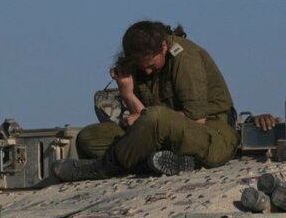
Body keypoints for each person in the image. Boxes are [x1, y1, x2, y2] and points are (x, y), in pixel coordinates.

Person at [54, 21, 239, 181]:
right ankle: (164, 162)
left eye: (151, 65)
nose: (148, 72)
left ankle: (104, 167)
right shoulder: (141, 67)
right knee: (90, 138)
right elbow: (144, 117)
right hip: (162, 136)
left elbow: (196, 119)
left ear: (164, 47)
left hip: (211, 136)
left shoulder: (185, 58)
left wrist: (145, 118)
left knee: (155, 116)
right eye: (143, 67)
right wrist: (127, 92)